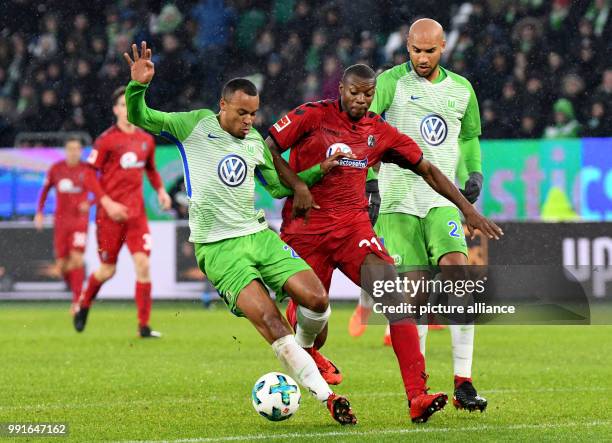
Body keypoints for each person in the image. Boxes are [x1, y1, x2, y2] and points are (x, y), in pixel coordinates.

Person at [121, 41, 357, 425]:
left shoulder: (252, 143)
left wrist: (317, 172)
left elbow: (280, 188)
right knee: (271, 320)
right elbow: (141, 117)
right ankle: (328, 398)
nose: (250, 121)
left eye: (254, 114)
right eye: (243, 113)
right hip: (219, 250)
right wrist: (137, 87)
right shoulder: (192, 125)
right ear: (223, 105)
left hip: (259, 236)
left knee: (317, 300)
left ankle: (306, 353)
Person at [268, 63, 502, 422]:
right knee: (316, 317)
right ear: (341, 89)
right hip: (306, 232)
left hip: (353, 231)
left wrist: (467, 208)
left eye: (367, 94)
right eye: (353, 92)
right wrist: (298, 185)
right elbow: (264, 147)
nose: (360, 100)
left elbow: (428, 170)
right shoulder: (312, 115)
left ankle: (417, 397)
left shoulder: (378, 132)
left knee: (397, 298)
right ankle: (309, 347)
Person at [368, 18, 489, 412]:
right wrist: (369, 177)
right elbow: (365, 127)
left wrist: (473, 171)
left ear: (443, 49)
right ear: (407, 47)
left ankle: (464, 382)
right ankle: (419, 389)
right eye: (416, 51)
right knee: (416, 297)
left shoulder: (461, 90)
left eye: (430, 51)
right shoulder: (390, 83)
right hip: (399, 202)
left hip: (441, 199)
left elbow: (469, 137)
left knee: (459, 277)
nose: (422, 58)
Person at [73, 85, 172, 338]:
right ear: (116, 109)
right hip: (109, 216)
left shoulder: (145, 140)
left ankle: (144, 326)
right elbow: (88, 172)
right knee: (108, 270)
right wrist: (106, 202)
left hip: (136, 215)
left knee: (143, 265)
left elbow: (150, 169)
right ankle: (84, 303)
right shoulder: (107, 140)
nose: (127, 110)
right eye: (123, 105)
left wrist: (161, 191)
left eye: (131, 105)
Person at [35, 137, 125, 314]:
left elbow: (100, 191)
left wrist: (89, 204)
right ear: (66, 151)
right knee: (61, 265)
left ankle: (77, 301)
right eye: (70, 149)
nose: (74, 152)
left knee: (76, 258)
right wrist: (39, 212)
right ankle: (77, 291)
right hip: (61, 221)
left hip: (79, 222)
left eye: (77, 149)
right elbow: (45, 190)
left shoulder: (86, 170)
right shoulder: (56, 169)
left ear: (80, 151)